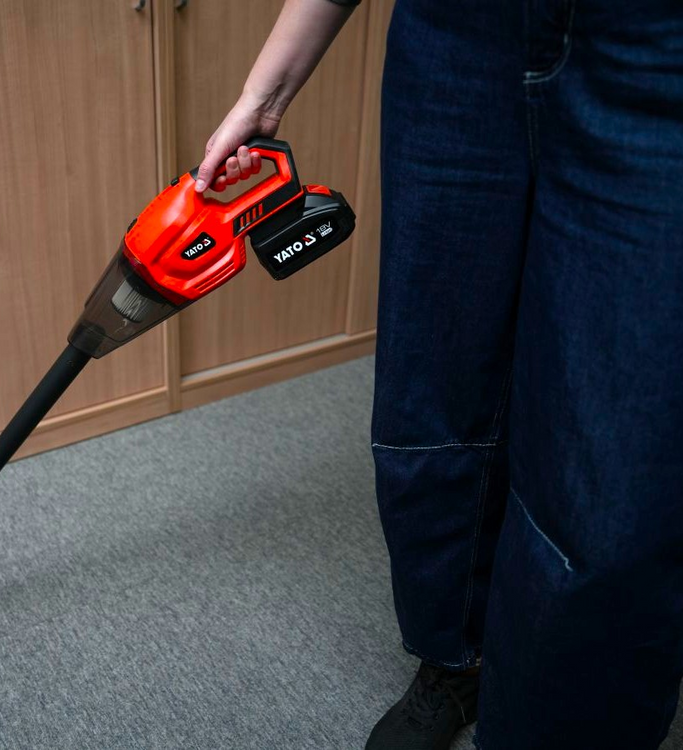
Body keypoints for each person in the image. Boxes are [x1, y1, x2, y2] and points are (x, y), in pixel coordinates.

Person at [194, 0, 683, 747]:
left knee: (612, 485)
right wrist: (263, 97)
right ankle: (459, 657)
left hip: (655, 52)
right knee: (435, 399)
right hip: (457, 36)